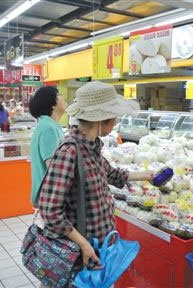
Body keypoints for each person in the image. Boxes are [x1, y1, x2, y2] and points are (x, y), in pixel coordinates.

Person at [37, 81, 152, 287]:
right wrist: (83, 245)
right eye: (113, 117)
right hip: (80, 253)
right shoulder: (70, 151)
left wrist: (147, 175)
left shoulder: (92, 147)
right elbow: (49, 210)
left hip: (98, 247)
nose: (116, 122)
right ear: (100, 119)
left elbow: (113, 175)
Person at [29, 86, 67, 204]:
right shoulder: (48, 128)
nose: (63, 97)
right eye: (59, 94)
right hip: (51, 195)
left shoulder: (49, 125)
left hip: (50, 194)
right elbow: (53, 167)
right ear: (52, 104)